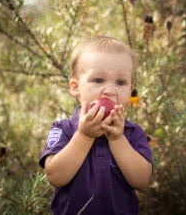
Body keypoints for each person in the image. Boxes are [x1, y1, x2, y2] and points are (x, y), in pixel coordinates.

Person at [39, 36, 153, 215]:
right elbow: (55, 176)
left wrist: (118, 139)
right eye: (98, 80)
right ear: (75, 87)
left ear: (131, 91)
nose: (109, 90)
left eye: (120, 82)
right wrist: (84, 136)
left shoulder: (133, 133)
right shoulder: (64, 130)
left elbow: (142, 180)